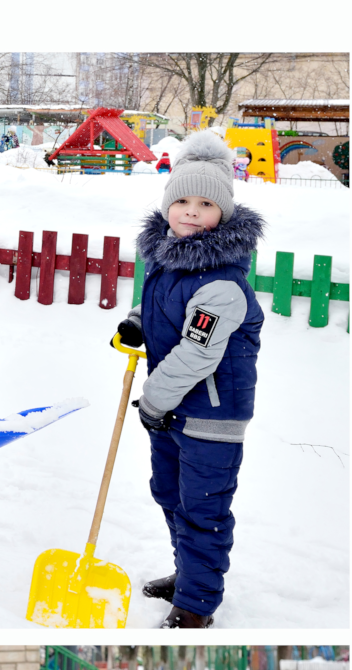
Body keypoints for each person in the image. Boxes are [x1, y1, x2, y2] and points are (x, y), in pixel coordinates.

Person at [114, 130, 265, 628]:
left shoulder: (223, 282)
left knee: (203, 509)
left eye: (206, 203)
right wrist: (137, 321)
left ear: (224, 212)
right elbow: (163, 306)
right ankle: (188, 575)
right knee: (169, 494)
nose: (191, 212)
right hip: (172, 409)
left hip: (210, 416)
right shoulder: (172, 259)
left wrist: (153, 400)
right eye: (181, 201)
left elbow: (197, 354)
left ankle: (197, 606)